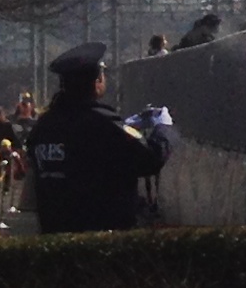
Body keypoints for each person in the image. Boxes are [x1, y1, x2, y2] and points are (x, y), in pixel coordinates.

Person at [27, 47, 163, 233]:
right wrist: (164, 128)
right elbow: (150, 160)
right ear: (97, 81)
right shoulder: (101, 122)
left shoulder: (44, 125)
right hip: (101, 234)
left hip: (53, 234)